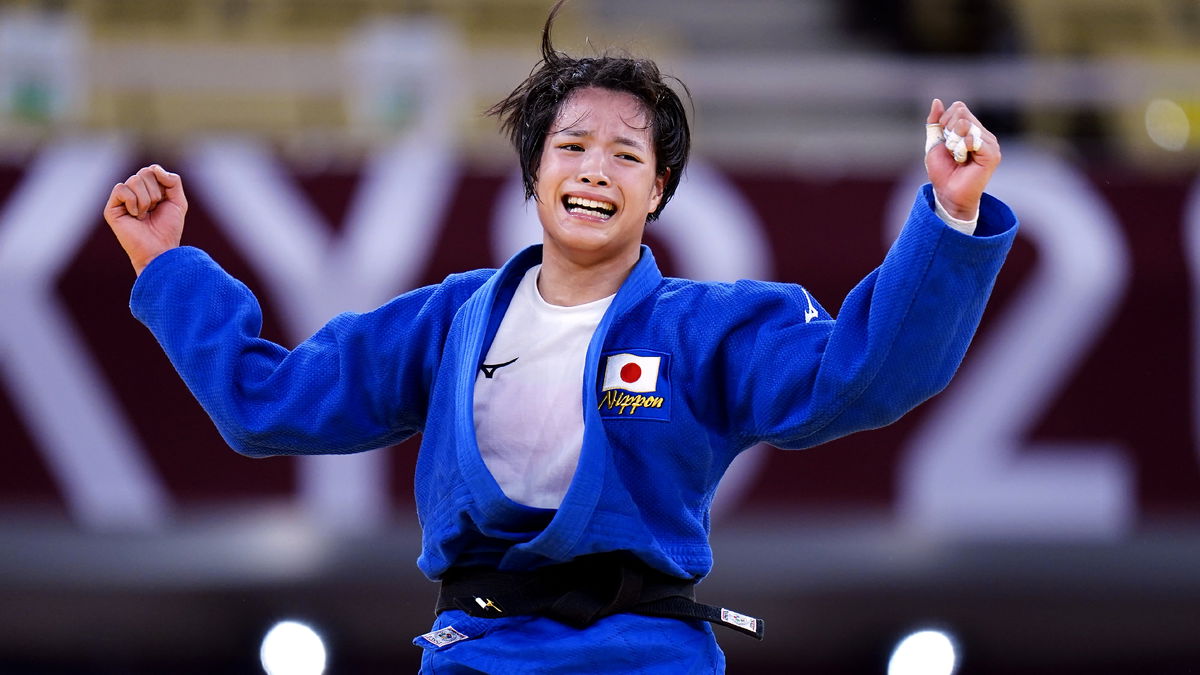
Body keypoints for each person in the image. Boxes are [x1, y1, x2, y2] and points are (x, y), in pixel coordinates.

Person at [103, 4, 1016, 673]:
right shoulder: (449, 320)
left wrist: (950, 212)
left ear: (658, 191)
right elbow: (269, 404)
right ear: (533, 177)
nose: (594, 169)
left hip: (647, 656)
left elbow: (860, 376)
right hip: (474, 653)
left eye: (627, 155)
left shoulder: (704, 327)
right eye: (571, 147)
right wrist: (168, 267)